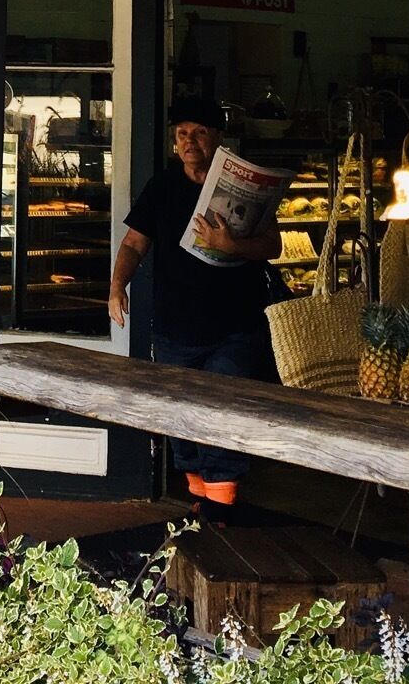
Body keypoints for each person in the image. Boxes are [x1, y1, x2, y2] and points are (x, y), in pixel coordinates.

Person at [108, 94, 279, 507]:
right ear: (173, 142)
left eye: (199, 132)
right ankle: (200, 508)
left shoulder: (243, 187)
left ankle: (222, 512)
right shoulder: (162, 187)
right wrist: (117, 286)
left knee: (221, 411)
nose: (190, 141)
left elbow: (272, 245)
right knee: (180, 420)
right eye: (182, 134)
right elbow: (133, 243)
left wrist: (231, 244)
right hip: (175, 329)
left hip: (236, 327)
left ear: (217, 137)